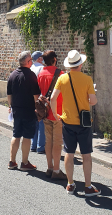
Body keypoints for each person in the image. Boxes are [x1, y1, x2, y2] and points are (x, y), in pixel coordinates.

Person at [50, 49, 100, 197]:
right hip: (83, 123)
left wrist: (55, 115)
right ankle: (88, 186)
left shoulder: (62, 78)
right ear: (80, 64)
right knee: (86, 155)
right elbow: (93, 101)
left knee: (69, 153)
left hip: (67, 121)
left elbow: (53, 99)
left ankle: (70, 184)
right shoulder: (87, 80)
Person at [7, 51, 40, 171]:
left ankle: (12, 161)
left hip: (16, 110)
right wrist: (38, 108)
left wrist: (11, 106)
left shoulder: (12, 75)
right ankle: (25, 163)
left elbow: (9, 95)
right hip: (28, 110)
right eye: (31, 60)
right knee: (27, 137)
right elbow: (36, 95)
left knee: (16, 135)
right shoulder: (31, 75)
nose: (32, 62)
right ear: (27, 62)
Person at [37, 50, 66, 180]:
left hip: (45, 112)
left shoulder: (41, 73)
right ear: (54, 59)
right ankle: (56, 169)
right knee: (57, 143)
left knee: (48, 141)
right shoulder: (61, 74)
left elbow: (38, 92)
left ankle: (49, 167)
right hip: (58, 112)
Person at [30, 50, 46, 154]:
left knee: (34, 122)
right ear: (39, 59)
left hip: (30, 99)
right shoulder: (41, 68)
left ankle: (33, 145)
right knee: (41, 123)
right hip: (39, 98)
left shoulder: (31, 68)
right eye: (42, 57)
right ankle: (40, 146)